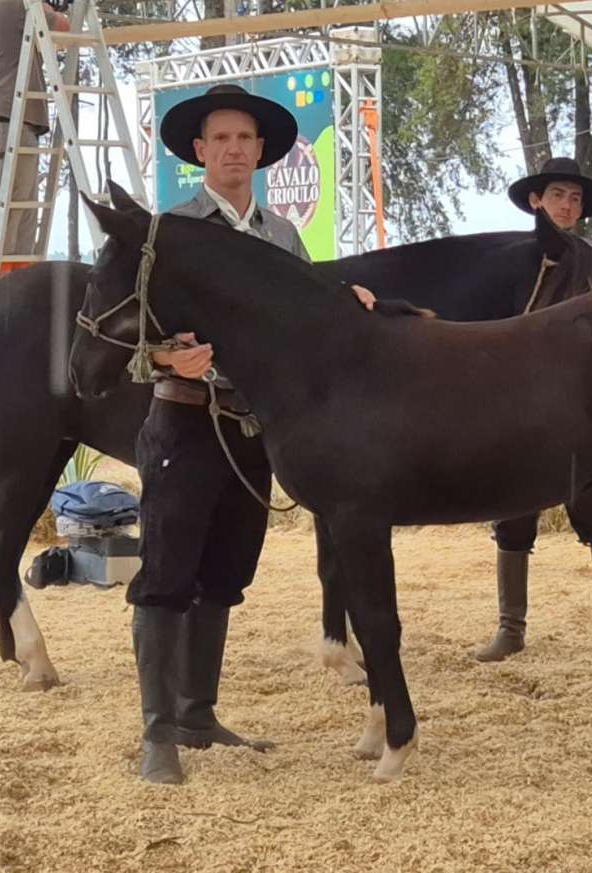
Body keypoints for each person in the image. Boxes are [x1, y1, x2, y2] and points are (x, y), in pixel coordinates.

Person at [131, 84, 373, 785]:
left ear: (261, 152)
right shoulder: (166, 231)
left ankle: (198, 716)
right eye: (222, 139)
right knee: (165, 576)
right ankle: (157, 735)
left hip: (251, 430)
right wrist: (165, 358)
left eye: (246, 139)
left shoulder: (282, 236)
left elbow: (305, 327)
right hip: (182, 421)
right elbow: (119, 336)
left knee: (226, 575)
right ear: (198, 152)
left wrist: (345, 302)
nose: (235, 149)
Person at [475, 157, 592, 663]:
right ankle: (511, 629)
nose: (568, 206)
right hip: (517, 397)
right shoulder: (513, 255)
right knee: (511, 514)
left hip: (573, 400)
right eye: (558, 196)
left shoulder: (590, 254)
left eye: (574, 199)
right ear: (537, 201)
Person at [0, 0, 70, 289]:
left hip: (5, 118)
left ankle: (12, 285)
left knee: (17, 210)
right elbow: (64, 26)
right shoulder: (17, 6)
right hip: (5, 118)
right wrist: (47, 9)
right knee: (6, 209)